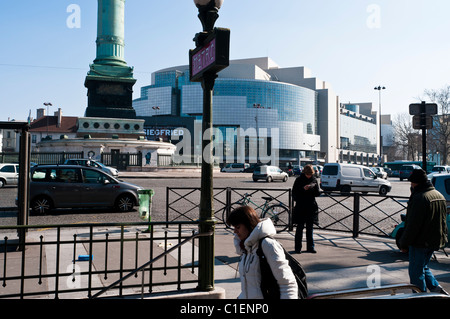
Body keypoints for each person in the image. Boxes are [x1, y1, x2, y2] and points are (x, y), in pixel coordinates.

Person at [227, 206, 298, 299]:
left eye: (238, 227)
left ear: (248, 224)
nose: (235, 231)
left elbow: (288, 284)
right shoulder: (246, 248)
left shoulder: (268, 245)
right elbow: (250, 286)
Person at [399, 168, 449, 295]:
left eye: (412, 183)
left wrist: (404, 243)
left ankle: (420, 296)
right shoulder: (439, 195)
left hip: (420, 241)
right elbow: (443, 221)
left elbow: (412, 225)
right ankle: (436, 288)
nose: (411, 185)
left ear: (416, 183)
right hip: (434, 240)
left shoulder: (419, 197)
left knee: (416, 272)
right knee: (423, 266)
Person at [292, 164, 320, 253]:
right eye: (308, 174)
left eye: (310, 174)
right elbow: (294, 193)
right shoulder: (299, 180)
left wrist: (313, 187)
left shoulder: (314, 180)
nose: (309, 176)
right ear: (304, 173)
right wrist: (303, 189)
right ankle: (297, 248)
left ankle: (310, 247)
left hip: (311, 207)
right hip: (301, 207)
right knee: (299, 228)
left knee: (310, 228)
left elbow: (318, 193)